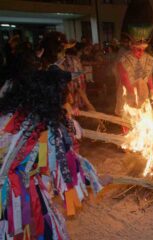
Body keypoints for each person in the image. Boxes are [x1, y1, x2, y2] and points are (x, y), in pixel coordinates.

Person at [0, 32, 107, 239]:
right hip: (21, 199)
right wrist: (97, 179)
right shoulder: (46, 129)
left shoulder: (8, 114)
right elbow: (66, 169)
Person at [115, 25, 153, 118]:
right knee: (128, 117)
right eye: (138, 49)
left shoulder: (147, 58)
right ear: (132, 47)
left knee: (143, 117)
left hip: (143, 92)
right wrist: (133, 93)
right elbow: (124, 78)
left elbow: (149, 75)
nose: (141, 52)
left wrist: (152, 88)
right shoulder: (124, 60)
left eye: (143, 50)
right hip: (128, 93)